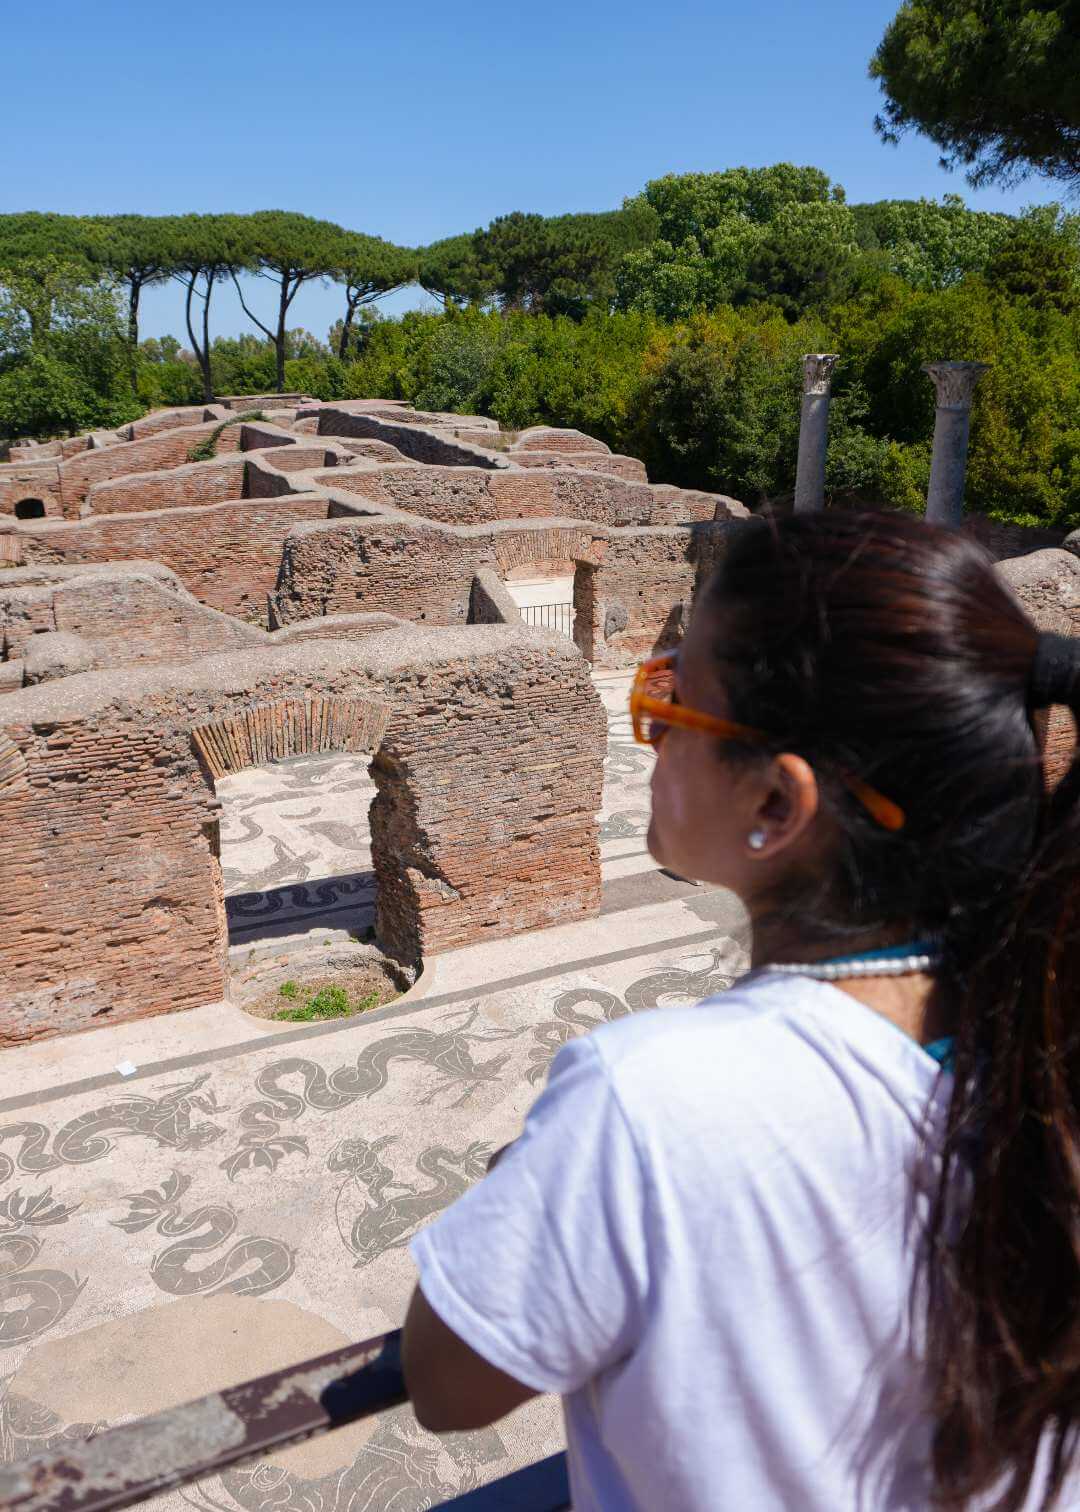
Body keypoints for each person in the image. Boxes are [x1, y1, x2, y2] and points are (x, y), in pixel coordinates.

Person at [401, 510, 1080, 1510]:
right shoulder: (1049, 1047)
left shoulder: (649, 1104)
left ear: (775, 806)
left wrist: (551, 1186)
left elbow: (446, 1386)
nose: (654, 727)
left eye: (678, 704)